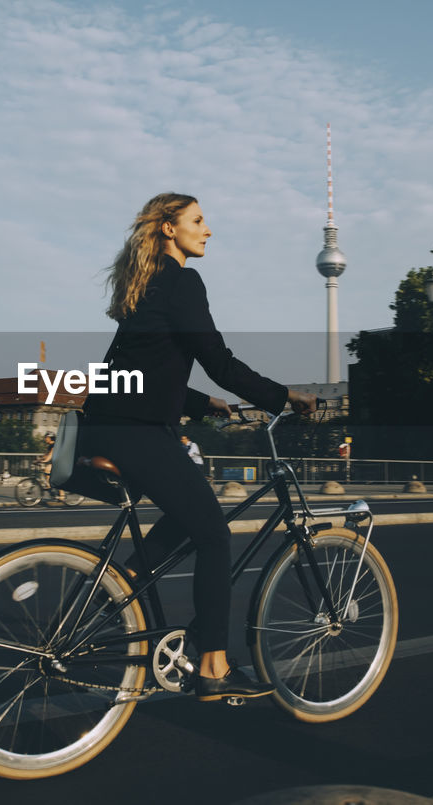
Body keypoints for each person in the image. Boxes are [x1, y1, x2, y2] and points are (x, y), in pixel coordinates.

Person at [81, 192, 317, 703]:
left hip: (110, 424)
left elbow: (136, 372)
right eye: (198, 220)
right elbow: (220, 360)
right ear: (169, 228)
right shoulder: (183, 280)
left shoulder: (146, 285)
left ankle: (120, 585)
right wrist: (285, 395)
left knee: (191, 518)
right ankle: (213, 666)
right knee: (213, 534)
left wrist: (201, 402)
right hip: (134, 431)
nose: (207, 231)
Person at [37, 433, 65, 502]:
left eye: (47, 437)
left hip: (61, 462)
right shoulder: (50, 446)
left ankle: (62, 495)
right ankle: (51, 487)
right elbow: (46, 455)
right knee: (46, 470)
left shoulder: (55, 445)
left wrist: (44, 461)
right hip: (56, 463)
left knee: (48, 469)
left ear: (51, 438)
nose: (45, 439)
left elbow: (50, 455)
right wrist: (39, 460)